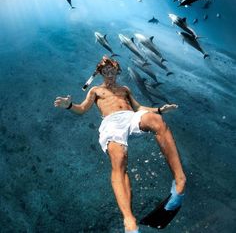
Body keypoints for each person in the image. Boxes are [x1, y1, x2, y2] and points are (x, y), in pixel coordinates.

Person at [54, 56, 186, 233]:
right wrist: (69, 105)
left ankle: (180, 180)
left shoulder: (125, 89)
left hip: (130, 117)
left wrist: (160, 110)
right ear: (100, 73)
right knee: (120, 158)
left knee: (157, 121)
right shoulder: (95, 90)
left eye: (112, 70)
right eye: (105, 71)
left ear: (117, 71)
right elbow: (82, 109)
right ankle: (129, 221)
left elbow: (139, 108)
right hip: (111, 123)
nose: (109, 73)